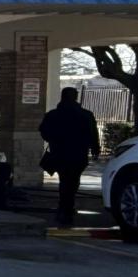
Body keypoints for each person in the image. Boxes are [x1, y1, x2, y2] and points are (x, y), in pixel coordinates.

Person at [39, 87, 102, 226]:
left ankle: (63, 207)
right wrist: (95, 148)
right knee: (73, 181)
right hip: (79, 154)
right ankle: (68, 207)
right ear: (75, 97)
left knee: (64, 180)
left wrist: (54, 139)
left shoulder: (53, 115)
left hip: (59, 152)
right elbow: (93, 133)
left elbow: (43, 131)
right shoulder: (86, 115)